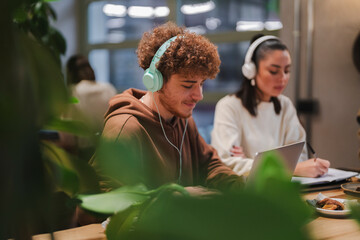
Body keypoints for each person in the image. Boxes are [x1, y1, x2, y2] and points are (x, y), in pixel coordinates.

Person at [91, 22, 244, 194]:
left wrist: (241, 187)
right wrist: (176, 198)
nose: (199, 95)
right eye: (188, 85)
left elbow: (208, 164)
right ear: (156, 81)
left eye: (201, 84)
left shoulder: (183, 120)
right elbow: (108, 197)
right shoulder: (125, 128)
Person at [211, 34, 330, 178]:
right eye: (274, 71)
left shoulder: (285, 105)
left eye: (286, 71)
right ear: (251, 70)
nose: (283, 78)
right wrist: (288, 168)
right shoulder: (229, 107)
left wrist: (251, 162)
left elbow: (300, 159)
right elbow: (228, 163)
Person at [57, 55, 117, 158]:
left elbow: (67, 134)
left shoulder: (72, 92)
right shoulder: (109, 88)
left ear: (71, 74)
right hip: (112, 149)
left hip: (86, 154)